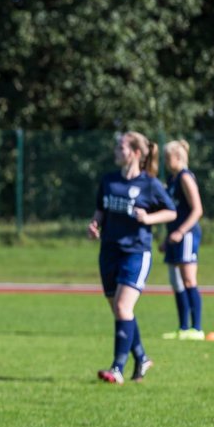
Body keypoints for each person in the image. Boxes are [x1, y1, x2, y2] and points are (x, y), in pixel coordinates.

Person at [87, 131, 177, 384]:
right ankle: (142, 357)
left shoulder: (150, 184)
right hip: (109, 250)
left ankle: (117, 368)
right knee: (120, 310)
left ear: (136, 153)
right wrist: (94, 225)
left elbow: (170, 212)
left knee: (123, 307)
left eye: (121, 148)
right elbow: (100, 211)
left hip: (136, 252)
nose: (116, 151)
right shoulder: (109, 180)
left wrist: (149, 218)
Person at [160, 139, 206, 340]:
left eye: (167, 157)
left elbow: (197, 210)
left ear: (178, 157)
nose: (164, 161)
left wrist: (180, 231)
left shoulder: (185, 177)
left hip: (186, 235)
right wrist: (167, 238)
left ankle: (197, 328)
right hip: (173, 236)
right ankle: (183, 327)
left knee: (188, 279)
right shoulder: (171, 180)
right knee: (176, 282)